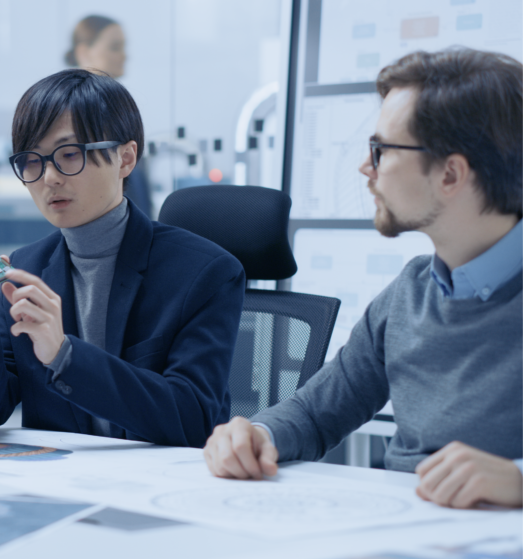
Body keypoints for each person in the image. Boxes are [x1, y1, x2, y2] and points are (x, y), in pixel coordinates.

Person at [202, 48, 522, 509]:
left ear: (451, 174)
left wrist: (517, 478)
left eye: (382, 151)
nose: (365, 167)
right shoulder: (410, 292)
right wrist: (256, 434)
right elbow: (316, 413)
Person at [0, 69, 244, 446]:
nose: (49, 177)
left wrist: (64, 356)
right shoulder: (26, 270)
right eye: (32, 160)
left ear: (125, 159)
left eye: (69, 154)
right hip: (61, 478)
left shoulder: (204, 273)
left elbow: (192, 419)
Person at [64, 15, 153, 218]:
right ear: (84, 52)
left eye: (123, 47)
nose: (124, 55)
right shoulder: (72, 111)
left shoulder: (114, 106)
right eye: (115, 47)